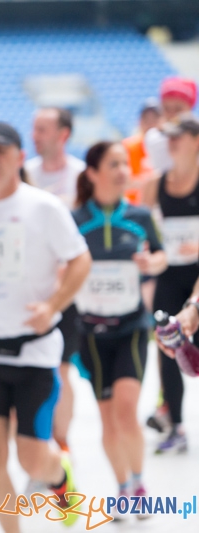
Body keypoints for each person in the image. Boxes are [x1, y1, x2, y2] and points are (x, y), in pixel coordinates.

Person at [0, 122, 92, 533]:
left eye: (0, 151)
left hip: (34, 352)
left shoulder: (43, 207)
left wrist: (53, 305)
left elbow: (80, 260)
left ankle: (59, 476)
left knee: (30, 458)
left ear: (20, 158)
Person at [72, 141, 167, 518]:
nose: (122, 170)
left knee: (126, 410)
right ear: (93, 173)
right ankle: (122, 486)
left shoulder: (140, 216)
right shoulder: (75, 218)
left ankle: (140, 484)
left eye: (124, 163)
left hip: (130, 326)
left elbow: (160, 256)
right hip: (91, 334)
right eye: (113, 164)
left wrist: (151, 261)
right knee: (108, 416)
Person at [24, 107, 86, 456]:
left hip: (67, 291)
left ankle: (61, 441)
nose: (36, 135)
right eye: (34, 129)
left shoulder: (82, 177)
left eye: (43, 129)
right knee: (31, 369)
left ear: (63, 134)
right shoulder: (25, 173)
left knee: (61, 368)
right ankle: (37, 442)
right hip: (29, 287)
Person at [140, 114, 199, 453]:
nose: (172, 141)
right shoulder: (155, 184)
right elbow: (138, 227)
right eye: (169, 136)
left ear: (196, 141)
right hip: (169, 276)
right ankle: (175, 425)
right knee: (170, 352)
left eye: (180, 136)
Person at [144, 77, 197, 175]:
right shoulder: (153, 138)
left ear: (190, 108)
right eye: (166, 108)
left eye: (178, 108)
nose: (172, 114)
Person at [123, 98, 161, 205]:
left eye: (154, 119)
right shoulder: (127, 147)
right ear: (139, 121)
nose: (150, 124)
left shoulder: (168, 148)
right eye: (146, 119)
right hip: (131, 208)